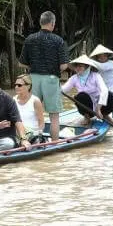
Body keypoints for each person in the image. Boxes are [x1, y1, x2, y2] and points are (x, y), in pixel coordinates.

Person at [19, 11, 69, 141]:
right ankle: (54, 144)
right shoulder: (58, 40)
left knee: (34, 112)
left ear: (41, 23)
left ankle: (31, 139)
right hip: (51, 79)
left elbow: (21, 63)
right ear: (52, 24)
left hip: (33, 79)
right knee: (54, 117)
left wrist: (34, 67)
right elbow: (64, 66)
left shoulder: (30, 39)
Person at [61, 54, 113, 125]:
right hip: (87, 107)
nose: (77, 68)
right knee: (80, 96)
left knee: (110, 95)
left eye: (80, 66)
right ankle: (87, 117)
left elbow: (104, 90)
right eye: (76, 66)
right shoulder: (74, 78)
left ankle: (105, 115)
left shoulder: (96, 76)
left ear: (87, 67)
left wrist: (98, 108)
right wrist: (55, 86)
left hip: (100, 105)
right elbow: (63, 90)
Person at [13, 74, 45, 143]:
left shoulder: (35, 101)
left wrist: (39, 135)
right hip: (18, 132)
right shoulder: (13, 100)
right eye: (15, 85)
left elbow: (41, 122)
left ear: (28, 86)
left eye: (19, 85)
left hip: (32, 134)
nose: (16, 87)